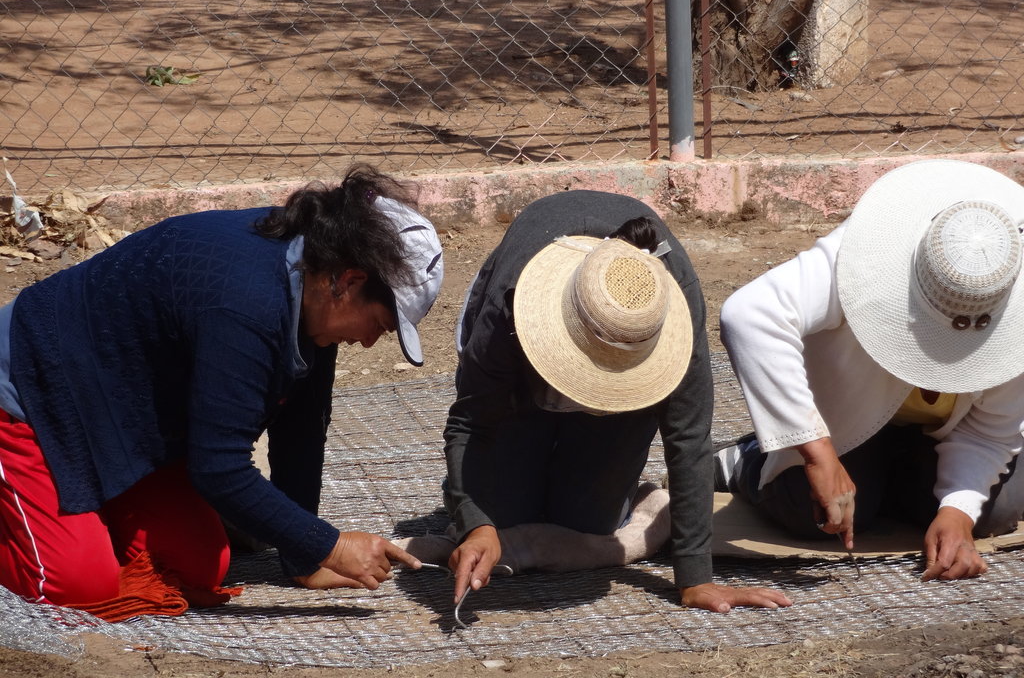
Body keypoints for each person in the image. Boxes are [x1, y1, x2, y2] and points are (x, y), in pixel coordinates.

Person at [0, 165, 443, 619]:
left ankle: (70, 513)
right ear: (349, 282)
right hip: (35, 395)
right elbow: (217, 467)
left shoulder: (315, 275)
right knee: (76, 584)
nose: (370, 341)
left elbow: (302, 426)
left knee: (198, 565)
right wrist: (328, 545)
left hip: (118, 418)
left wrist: (304, 558)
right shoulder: (247, 303)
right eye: (379, 325)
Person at [436, 189, 792, 614]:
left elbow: (689, 437)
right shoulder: (510, 303)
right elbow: (470, 423)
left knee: (583, 525)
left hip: (619, 413)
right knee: (505, 523)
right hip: (519, 390)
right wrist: (475, 522)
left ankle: (617, 482)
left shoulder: (672, 305)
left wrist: (696, 577)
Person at [717, 158, 1024, 582]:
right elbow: (749, 315)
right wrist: (816, 453)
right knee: (813, 516)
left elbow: (992, 432)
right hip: (843, 424)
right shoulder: (866, 248)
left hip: (936, 441)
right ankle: (747, 460)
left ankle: (889, 490)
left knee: (997, 511)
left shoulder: (1003, 279)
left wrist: (957, 514)